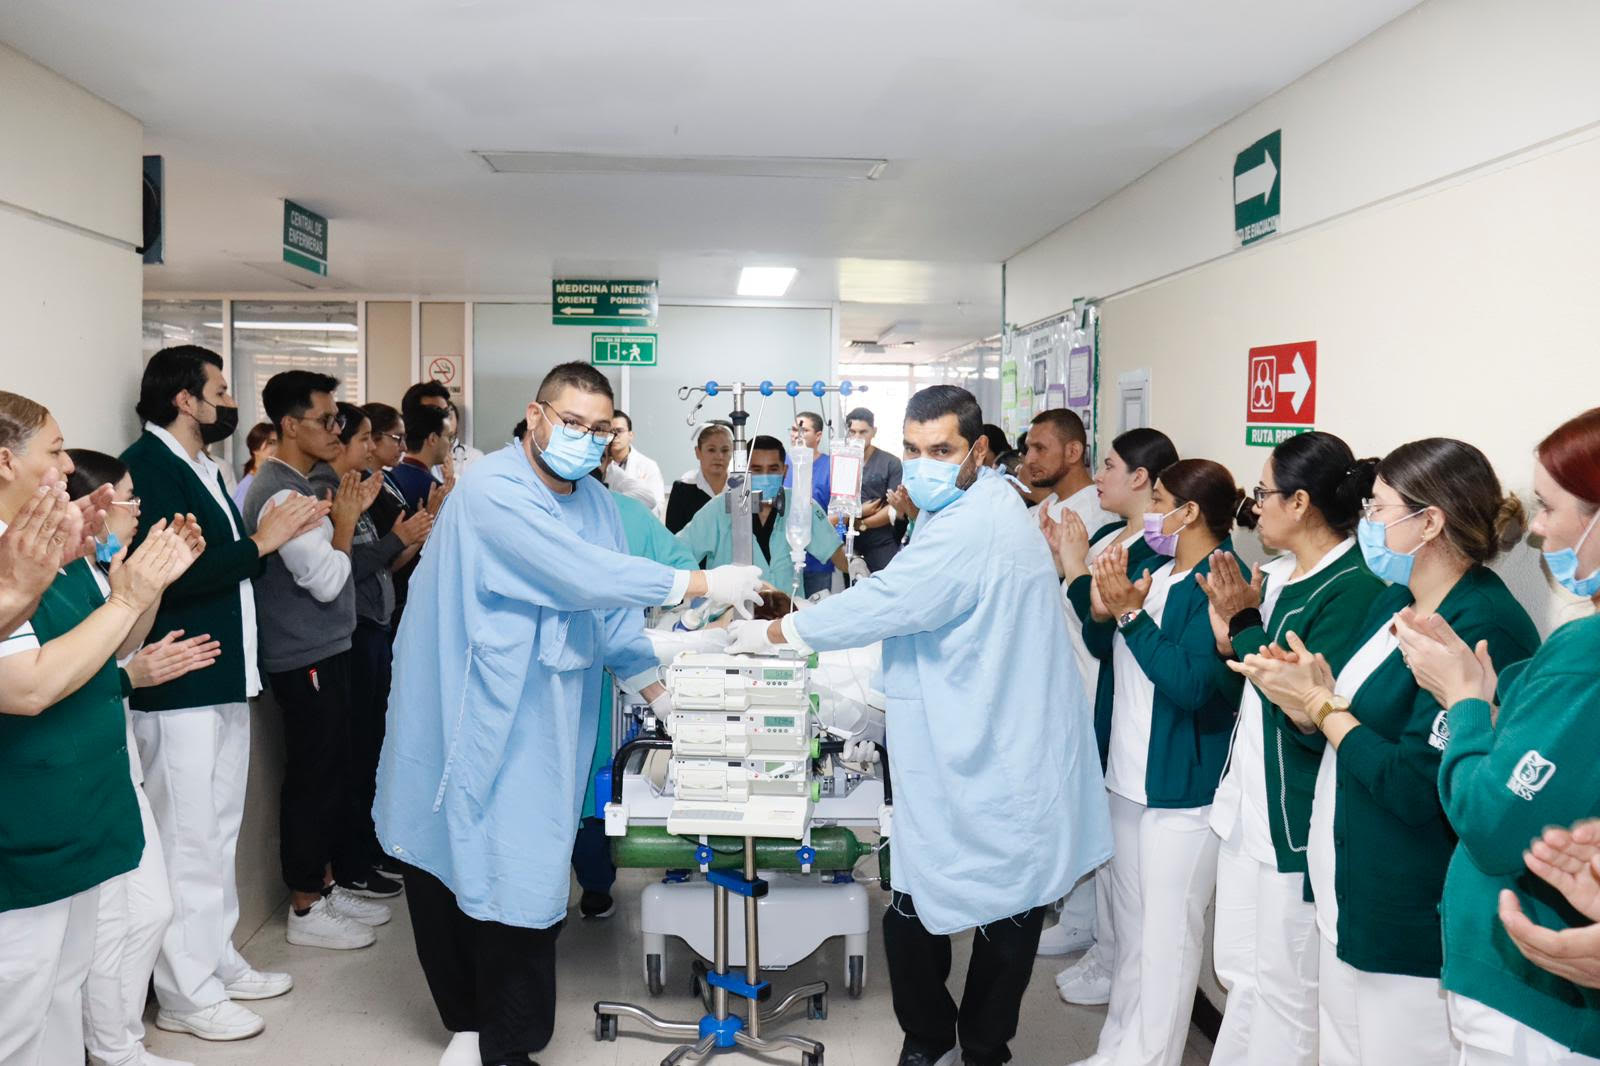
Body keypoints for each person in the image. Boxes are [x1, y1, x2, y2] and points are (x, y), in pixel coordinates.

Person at [373, 361, 764, 1066]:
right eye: (572, 423)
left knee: (523, 874)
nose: (586, 438)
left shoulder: (596, 504)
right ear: (536, 415)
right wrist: (701, 581)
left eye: (599, 429)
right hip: (464, 706)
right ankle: (470, 1024)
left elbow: (608, 610)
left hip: (541, 718)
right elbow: (575, 572)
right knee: (450, 860)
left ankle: (511, 1037)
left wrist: (660, 696)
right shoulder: (491, 490)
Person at [726, 385, 1111, 1066]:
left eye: (941, 449)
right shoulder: (963, 504)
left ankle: (982, 1047)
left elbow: (891, 599)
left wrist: (778, 633)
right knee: (916, 906)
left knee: (1007, 912)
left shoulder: (978, 523)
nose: (923, 463)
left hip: (1001, 749)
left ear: (979, 450)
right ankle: (930, 1037)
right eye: (912, 448)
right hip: (963, 735)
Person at [1231, 437, 1542, 1065]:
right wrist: (1307, 703)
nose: (1365, 521)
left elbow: (1413, 785)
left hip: (1406, 906)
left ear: (1429, 522)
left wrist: (1323, 708)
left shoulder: (1482, 625)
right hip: (1347, 878)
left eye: (1377, 508)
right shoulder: (1394, 599)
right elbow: (1344, 719)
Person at [121, 346, 323, 1042]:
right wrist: (263, 543)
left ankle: (215, 959)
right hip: (179, 680)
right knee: (187, 841)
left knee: (217, 834)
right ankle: (185, 992)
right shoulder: (148, 468)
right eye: (221, 390)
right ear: (185, 399)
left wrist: (258, 545)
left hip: (224, 676)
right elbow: (172, 572)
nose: (231, 402)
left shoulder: (205, 466)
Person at [0, 392, 201, 1066]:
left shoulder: (42, 550)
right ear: (6, 462)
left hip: (82, 814)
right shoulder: (9, 562)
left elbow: (109, 645)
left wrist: (141, 581)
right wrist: (128, 596)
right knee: (17, 1018)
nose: (67, 466)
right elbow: (27, 689)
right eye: (56, 450)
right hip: (26, 829)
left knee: (62, 996)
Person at [1394, 409, 1600, 1065]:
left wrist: (1463, 703)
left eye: (1550, 507)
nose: (1536, 529)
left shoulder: (1582, 653)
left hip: (1530, 986)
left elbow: (1490, 819)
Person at [1196, 433, 1384, 1066]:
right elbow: (1252, 681)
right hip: (1248, 804)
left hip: (1295, 816)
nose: (1255, 506)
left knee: (1286, 988)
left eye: (1264, 493)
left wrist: (1243, 626)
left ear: (1300, 502)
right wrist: (1231, 640)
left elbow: (1305, 704)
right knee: (1238, 968)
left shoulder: (1352, 587)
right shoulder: (1277, 577)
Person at [1071, 459, 1248, 1066]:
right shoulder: (1155, 568)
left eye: (1160, 501)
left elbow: (1195, 685)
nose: (1149, 513)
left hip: (1182, 788)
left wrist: (1128, 615)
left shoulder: (1221, 580)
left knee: (1167, 939)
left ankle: (1151, 1057)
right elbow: (1106, 648)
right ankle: (1118, 1048)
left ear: (1190, 512)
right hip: (1128, 774)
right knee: (1132, 931)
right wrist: (1106, 613)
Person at [68, 449, 223, 1066]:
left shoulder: (100, 568)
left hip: (113, 757)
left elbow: (124, 641)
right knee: (113, 923)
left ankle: (118, 1042)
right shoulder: (64, 576)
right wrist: (132, 677)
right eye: (129, 497)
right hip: (86, 764)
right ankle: (112, 1048)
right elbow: (95, 665)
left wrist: (151, 584)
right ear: (94, 504)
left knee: (150, 910)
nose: (138, 509)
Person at [242, 371, 391, 951]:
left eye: (337, 419)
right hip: (303, 655)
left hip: (326, 649)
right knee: (313, 778)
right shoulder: (281, 494)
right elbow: (328, 581)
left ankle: (325, 884)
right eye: (326, 420)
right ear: (289, 425)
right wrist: (346, 523)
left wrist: (342, 523)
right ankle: (305, 903)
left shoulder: (300, 485)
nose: (336, 429)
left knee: (332, 771)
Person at [1042, 426, 1179, 1008]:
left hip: (1109, 694)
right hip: (1075, 688)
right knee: (1092, 825)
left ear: (1142, 478)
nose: (1098, 477)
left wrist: (1075, 567)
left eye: (1109, 467)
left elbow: (1098, 625)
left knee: (1117, 850)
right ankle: (1094, 939)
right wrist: (1066, 559)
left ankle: (1109, 951)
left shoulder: (1154, 550)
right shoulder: (1104, 534)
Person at [310, 403, 433, 881]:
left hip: (375, 626)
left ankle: (373, 847)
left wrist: (411, 534)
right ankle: (353, 861)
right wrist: (399, 538)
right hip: (353, 631)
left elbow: (382, 563)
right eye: (364, 438)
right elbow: (347, 568)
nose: (371, 447)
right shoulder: (327, 491)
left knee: (374, 746)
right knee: (354, 751)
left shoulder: (361, 488)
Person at [1024, 408, 1118, 958]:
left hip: (1086, 675)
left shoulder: (1094, 516)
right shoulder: (1045, 510)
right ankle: (1066, 904)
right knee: (1060, 799)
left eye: (1040, 448)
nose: (1029, 459)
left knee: (1084, 801)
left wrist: (1066, 560)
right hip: (1050, 675)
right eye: (1028, 449)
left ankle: (1082, 918)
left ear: (1073, 451)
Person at [675, 433, 848, 592]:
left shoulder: (799, 505)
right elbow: (678, 552)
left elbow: (835, 552)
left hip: (786, 610)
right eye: (757, 470)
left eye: (773, 469)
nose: (765, 477)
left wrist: (857, 567)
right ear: (744, 470)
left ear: (784, 471)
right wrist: (701, 589)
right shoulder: (720, 508)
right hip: (732, 611)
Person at [844, 407, 904, 573]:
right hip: (849, 543)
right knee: (853, 585)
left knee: (885, 583)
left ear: (874, 431)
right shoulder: (842, 462)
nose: (857, 437)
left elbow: (893, 507)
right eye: (852, 432)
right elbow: (838, 504)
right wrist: (859, 512)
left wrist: (862, 523)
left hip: (881, 542)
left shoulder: (891, 463)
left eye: (863, 432)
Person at [789, 411, 837, 595]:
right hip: (785, 559)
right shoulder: (783, 465)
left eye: (803, 430)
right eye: (794, 430)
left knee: (816, 607)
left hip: (818, 560)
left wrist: (809, 527)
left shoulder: (831, 467)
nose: (797, 435)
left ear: (818, 436)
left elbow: (841, 512)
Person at [665, 421, 734, 533]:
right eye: (711, 450)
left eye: (725, 450)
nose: (719, 456)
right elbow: (673, 535)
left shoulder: (741, 487)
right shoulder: (683, 489)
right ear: (698, 452)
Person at [388, 404, 451, 516]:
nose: (450, 444)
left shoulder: (390, 477)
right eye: (449, 437)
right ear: (433, 439)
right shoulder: (436, 492)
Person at [604, 409, 665, 518]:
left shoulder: (648, 465)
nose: (614, 435)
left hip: (639, 523)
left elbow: (657, 505)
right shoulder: (600, 465)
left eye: (619, 431)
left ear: (630, 435)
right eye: (610, 431)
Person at [231, 422, 277, 510]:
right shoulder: (247, 486)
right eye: (271, 443)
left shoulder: (275, 481)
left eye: (280, 443)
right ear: (255, 449)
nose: (277, 447)